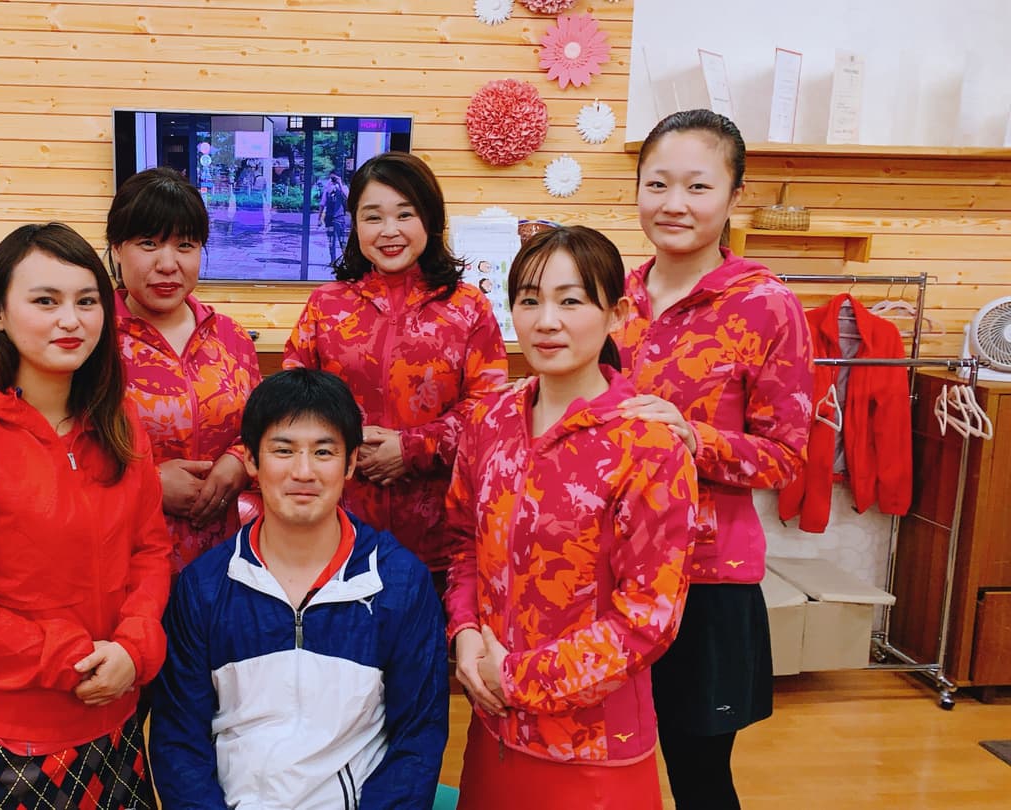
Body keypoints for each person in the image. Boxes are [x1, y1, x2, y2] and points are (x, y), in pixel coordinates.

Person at [0, 222, 172, 810]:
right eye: (45, 301)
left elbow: (150, 549)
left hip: (113, 719)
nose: (70, 320)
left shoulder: (122, 427)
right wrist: (72, 660)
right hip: (0, 738)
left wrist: (134, 647)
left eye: (87, 301)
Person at [445, 226, 700, 810]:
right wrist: (464, 637)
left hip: (594, 751)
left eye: (571, 301)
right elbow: (462, 542)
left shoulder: (648, 444)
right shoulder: (489, 421)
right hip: (492, 729)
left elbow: (649, 619)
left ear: (617, 314)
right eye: (529, 300)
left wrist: (516, 678)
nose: (546, 321)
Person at [618, 109, 814, 809]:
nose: (674, 203)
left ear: (735, 196)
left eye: (698, 186)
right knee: (610, 766)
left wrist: (692, 438)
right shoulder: (614, 299)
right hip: (605, 569)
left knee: (699, 777)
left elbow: (786, 457)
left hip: (706, 576)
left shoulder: (767, 306)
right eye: (657, 184)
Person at [150, 368, 449, 809]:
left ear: (350, 463)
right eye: (283, 451)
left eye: (324, 452)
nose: (304, 471)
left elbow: (417, 739)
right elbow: (179, 743)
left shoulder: (398, 582)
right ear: (251, 461)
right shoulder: (205, 587)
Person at [284, 151, 509, 586]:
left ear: (430, 218)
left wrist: (412, 448)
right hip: (337, 532)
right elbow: (294, 400)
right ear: (355, 224)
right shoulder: (326, 306)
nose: (389, 230)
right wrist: (350, 442)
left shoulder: (468, 308)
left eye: (405, 214)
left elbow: (489, 410)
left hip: (441, 539)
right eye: (373, 217)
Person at [107, 167, 263, 571]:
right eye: (148, 243)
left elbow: (263, 427)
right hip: (126, 560)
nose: (168, 263)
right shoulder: (92, 336)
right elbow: (62, 453)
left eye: (185, 245)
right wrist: (147, 483)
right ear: (117, 248)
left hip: (222, 562)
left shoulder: (230, 337)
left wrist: (239, 461)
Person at [318, 172, 349, 263]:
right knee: (331, 241)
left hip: (339, 218)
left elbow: (347, 197)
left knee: (342, 240)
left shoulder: (344, 188)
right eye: (332, 178)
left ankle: (346, 260)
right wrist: (319, 218)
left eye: (335, 178)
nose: (333, 180)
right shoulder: (327, 188)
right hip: (329, 218)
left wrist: (340, 184)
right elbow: (322, 204)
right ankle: (333, 260)